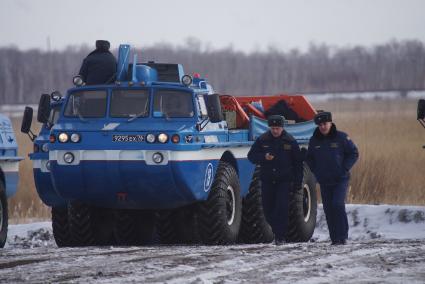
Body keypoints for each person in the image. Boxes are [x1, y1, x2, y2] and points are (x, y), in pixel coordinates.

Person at [247, 115, 303, 245]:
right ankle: (278, 231)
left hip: (284, 180)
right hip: (267, 180)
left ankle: (280, 237)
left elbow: (298, 163)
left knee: (281, 208)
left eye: (277, 128)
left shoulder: (290, 141)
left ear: (282, 128)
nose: (275, 131)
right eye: (273, 128)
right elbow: (251, 156)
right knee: (268, 210)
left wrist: (298, 182)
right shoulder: (263, 140)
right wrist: (264, 157)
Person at [306, 112, 359, 245]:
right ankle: (335, 238)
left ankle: (343, 236)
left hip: (340, 179)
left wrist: (344, 168)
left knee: (337, 205)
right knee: (328, 208)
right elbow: (310, 158)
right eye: (320, 125)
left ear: (330, 123)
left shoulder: (341, 137)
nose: (323, 127)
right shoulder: (314, 140)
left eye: (325, 124)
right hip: (324, 180)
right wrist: (316, 171)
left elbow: (354, 153)